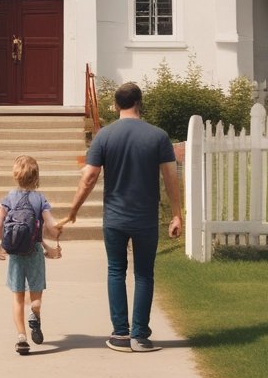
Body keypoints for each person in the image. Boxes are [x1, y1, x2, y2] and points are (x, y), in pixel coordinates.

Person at [60, 81, 183, 353]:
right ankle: (140, 336)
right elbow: (170, 176)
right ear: (139, 102)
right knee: (143, 274)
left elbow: (89, 176)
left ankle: (120, 335)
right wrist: (176, 214)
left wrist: (73, 211)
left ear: (115, 105)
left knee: (116, 271)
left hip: (114, 217)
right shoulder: (158, 136)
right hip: (146, 218)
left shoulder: (104, 136)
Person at [0, 154, 65, 355]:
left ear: (15, 176)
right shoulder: (40, 199)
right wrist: (55, 237)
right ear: (36, 177)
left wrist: (3, 244)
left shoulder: (9, 198)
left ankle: (21, 338)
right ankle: (34, 314)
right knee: (35, 294)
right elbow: (51, 225)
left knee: (18, 297)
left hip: (15, 253)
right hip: (34, 251)